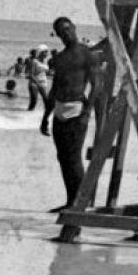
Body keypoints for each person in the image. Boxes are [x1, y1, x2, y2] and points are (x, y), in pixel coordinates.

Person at [41, 17, 100, 212]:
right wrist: (45, 116)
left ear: (74, 28)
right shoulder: (59, 58)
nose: (66, 33)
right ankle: (71, 201)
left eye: (68, 29)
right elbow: (54, 89)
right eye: (61, 31)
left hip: (77, 109)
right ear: (58, 35)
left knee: (74, 158)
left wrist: (88, 111)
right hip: (59, 110)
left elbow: (96, 85)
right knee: (63, 158)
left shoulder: (86, 54)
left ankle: (81, 203)